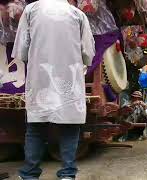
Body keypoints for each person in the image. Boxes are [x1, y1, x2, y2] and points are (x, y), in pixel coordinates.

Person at [12, 0, 95, 179]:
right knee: (70, 127)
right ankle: (67, 173)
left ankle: (30, 173)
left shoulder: (31, 10)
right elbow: (88, 52)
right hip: (69, 77)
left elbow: (21, 50)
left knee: (36, 127)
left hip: (40, 77)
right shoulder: (77, 14)